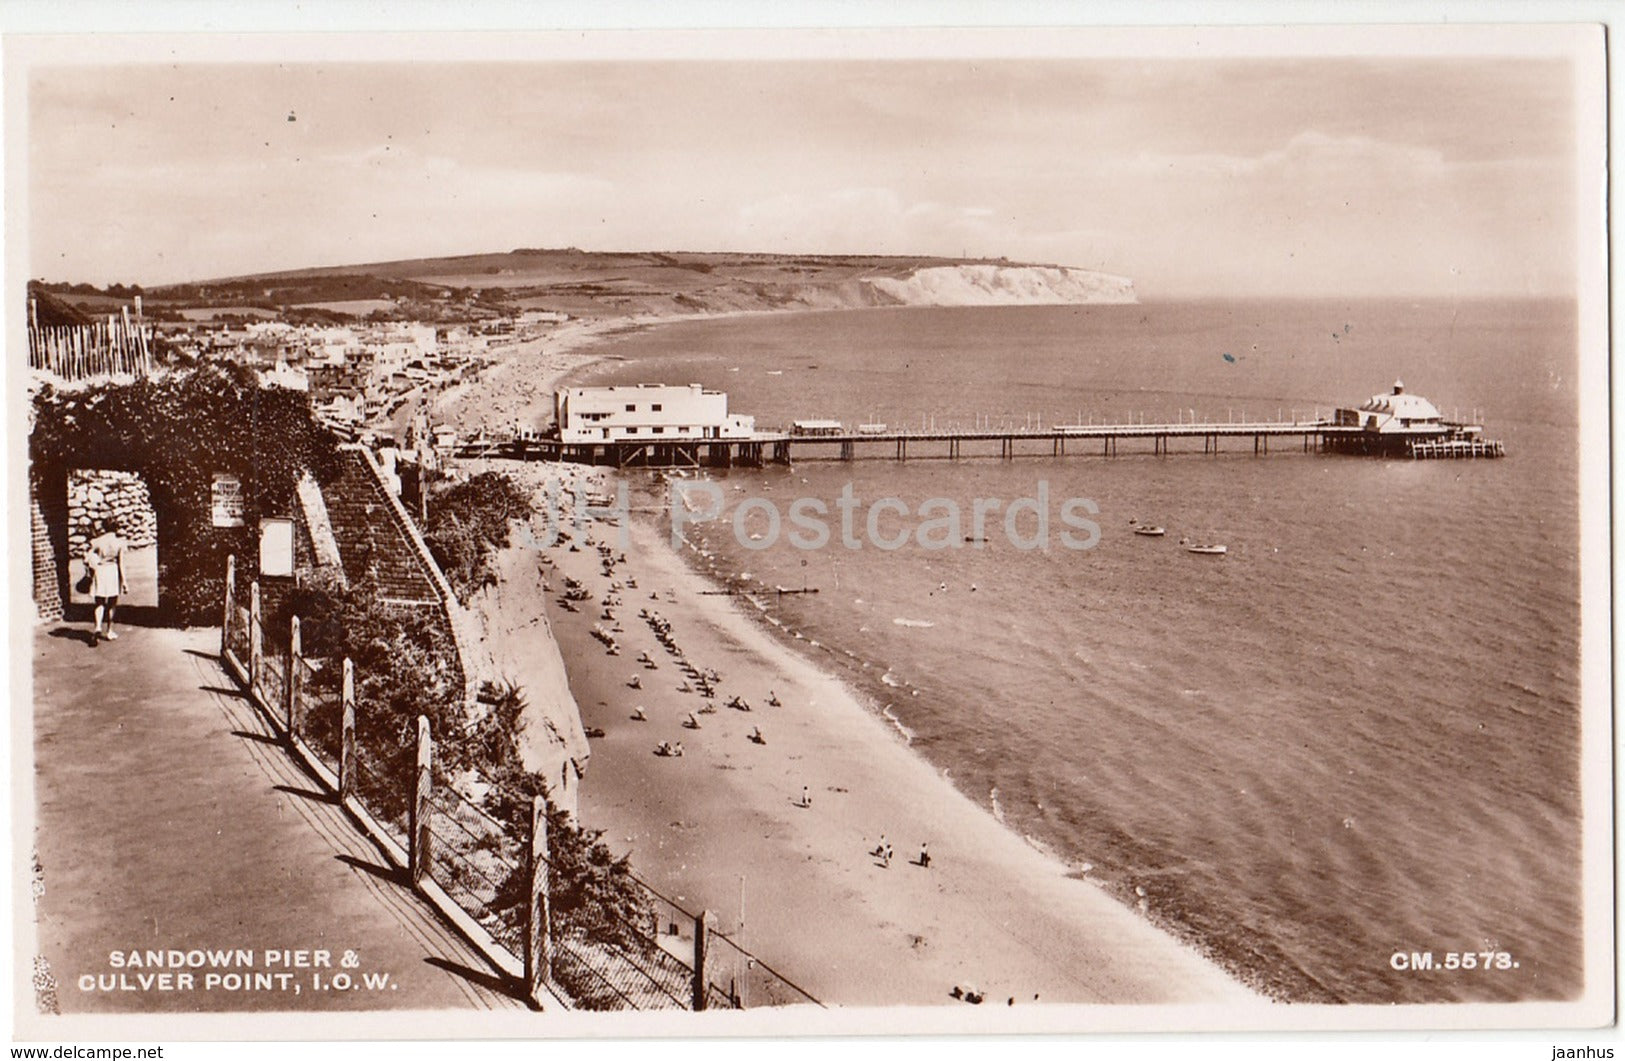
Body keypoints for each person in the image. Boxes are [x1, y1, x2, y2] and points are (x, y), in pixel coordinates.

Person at [84, 518, 127, 645]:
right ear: (116, 528)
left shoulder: (97, 541)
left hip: (100, 570)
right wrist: (124, 581)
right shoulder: (120, 543)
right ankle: (109, 631)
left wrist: (93, 564)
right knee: (112, 603)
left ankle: (97, 627)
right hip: (112, 571)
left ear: (104, 527)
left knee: (99, 602)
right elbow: (121, 564)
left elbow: (87, 557)